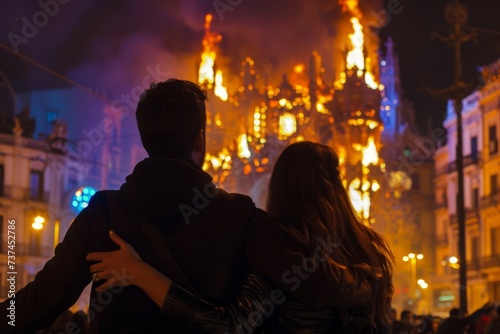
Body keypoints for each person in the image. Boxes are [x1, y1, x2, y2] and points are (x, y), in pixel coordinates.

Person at [0, 79, 372, 333]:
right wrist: (364, 282)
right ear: (200, 139)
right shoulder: (240, 217)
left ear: (144, 139)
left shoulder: (103, 213)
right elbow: (312, 278)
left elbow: (38, 302)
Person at [87, 141, 395, 333]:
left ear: (280, 190)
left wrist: (141, 273)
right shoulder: (372, 256)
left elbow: (226, 325)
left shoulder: (278, 251)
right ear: (336, 190)